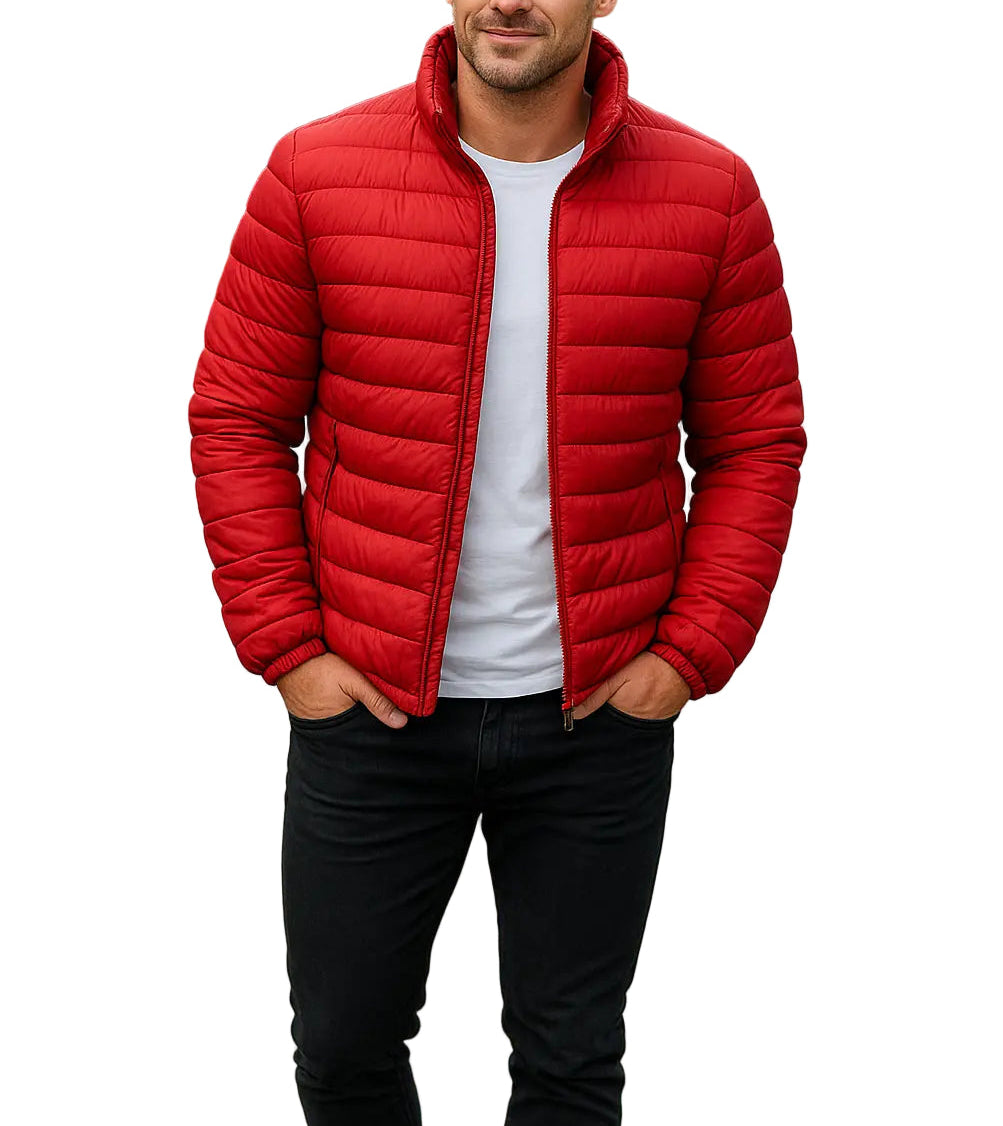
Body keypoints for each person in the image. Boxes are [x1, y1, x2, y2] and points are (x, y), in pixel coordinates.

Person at [187, 2, 807, 1122]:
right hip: (370, 712)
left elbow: (754, 440)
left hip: (595, 720)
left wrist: (688, 654)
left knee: (570, 1062)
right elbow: (237, 416)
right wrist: (289, 650)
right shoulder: (314, 173)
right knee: (343, 1047)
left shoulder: (709, 193)